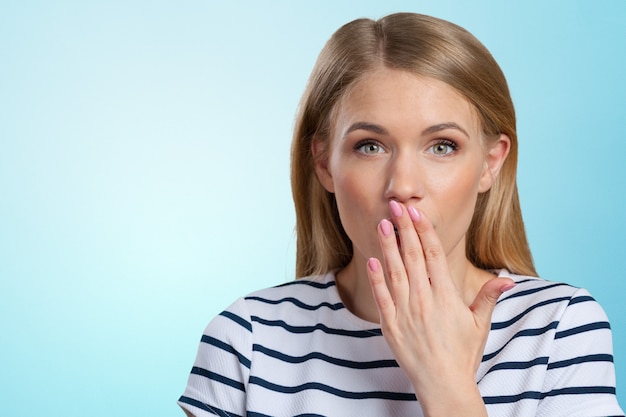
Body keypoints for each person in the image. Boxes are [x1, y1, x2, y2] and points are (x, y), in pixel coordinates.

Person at [178, 12, 624, 417]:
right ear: (323, 164)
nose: (403, 186)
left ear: (490, 163)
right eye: (369, 146)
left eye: (442, 146)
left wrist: (447, 386)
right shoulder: (248, 340)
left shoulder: (559, 329)